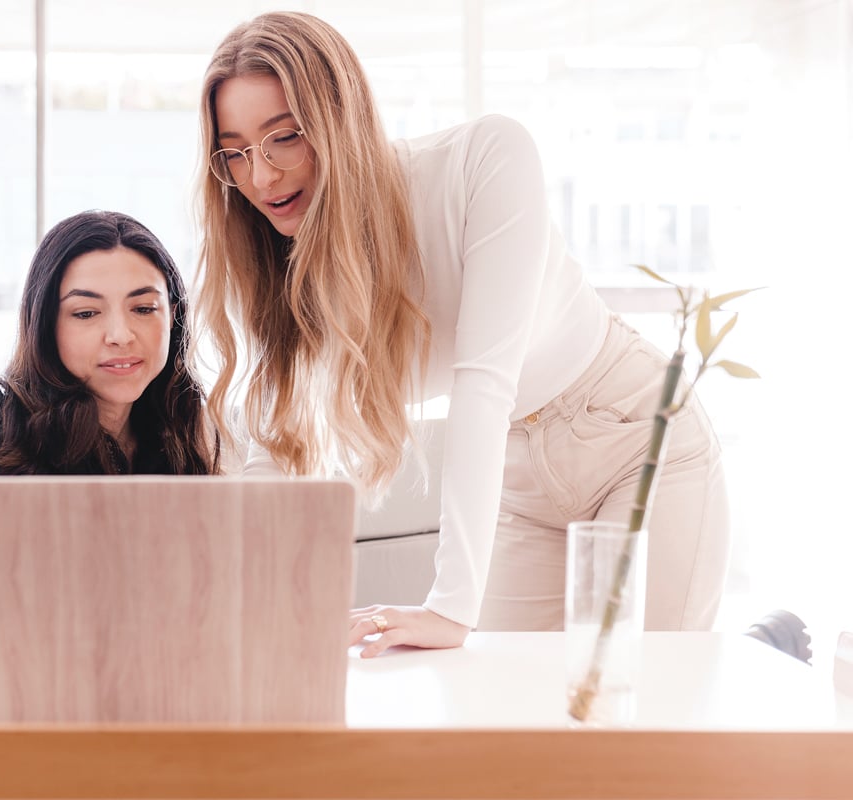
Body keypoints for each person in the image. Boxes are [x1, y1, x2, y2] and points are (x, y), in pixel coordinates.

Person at [195, 11, 730, 657]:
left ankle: (766, 639)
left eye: (283, 137)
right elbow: (276, 448)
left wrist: (448, 608)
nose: (260, 176)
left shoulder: (483, 160)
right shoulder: (289, 270)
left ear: (340, 120)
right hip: (519, 480)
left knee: (642, 706)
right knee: (506, 723)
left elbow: (484, 385)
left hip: (637, 439)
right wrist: (226, 602)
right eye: (235, 152)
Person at [0, 210, 219, 657]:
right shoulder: (3, 421)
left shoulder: (173, 429)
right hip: (31, 700)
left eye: (144, 308)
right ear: (46, 325)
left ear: (174, 318)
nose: (120, 335)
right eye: (86, 312)